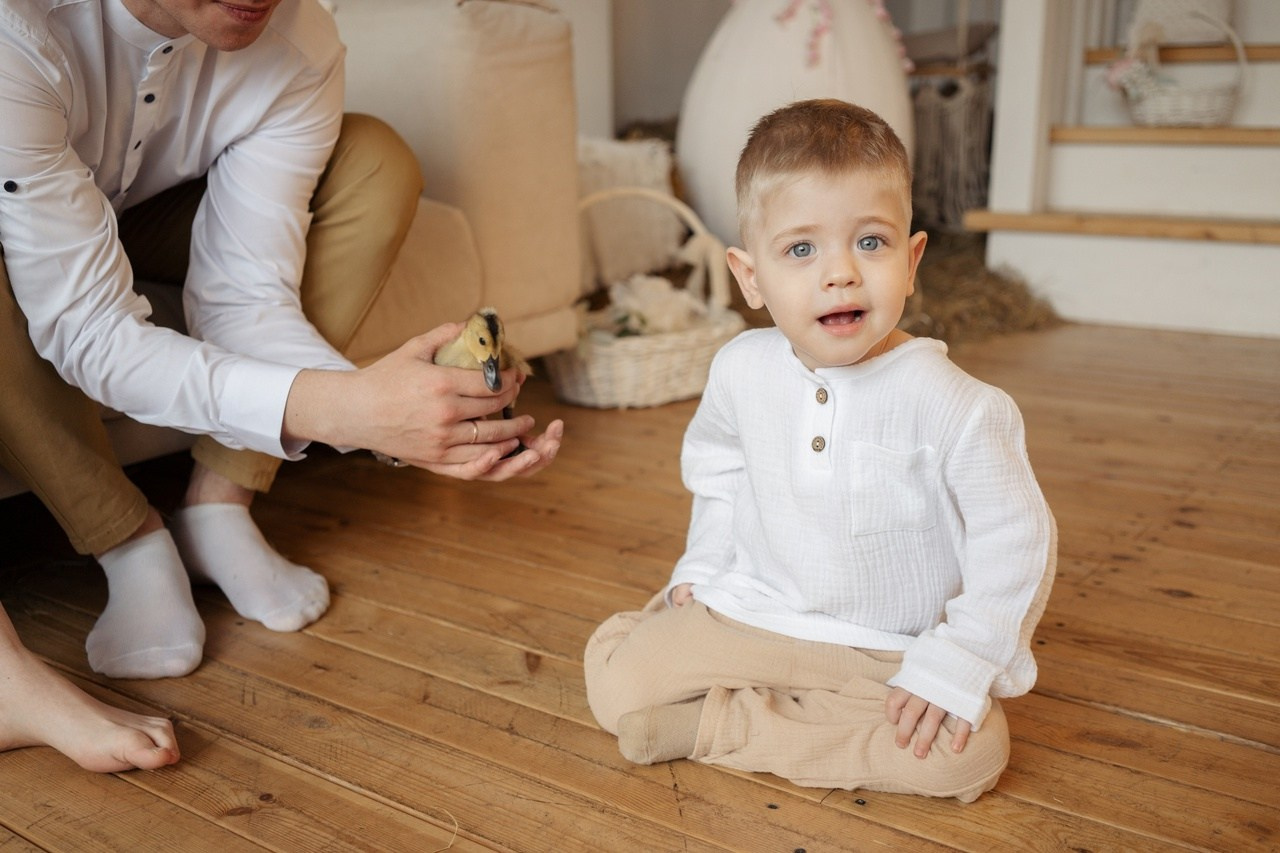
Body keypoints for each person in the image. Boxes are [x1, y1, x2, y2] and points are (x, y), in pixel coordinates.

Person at [0, 0, 562, 772]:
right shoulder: (21, 31)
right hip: (21, 225)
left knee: (376, 158)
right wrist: (353, 411)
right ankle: (129, 544)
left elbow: (245, 303)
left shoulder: (296, 38)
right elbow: (91, 332)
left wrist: (398, 412)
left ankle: (219, 505)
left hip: (137, 209)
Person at [584, 99, 1055, 802]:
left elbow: (1016, 541)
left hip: (881, 648)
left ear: (912, 258)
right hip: (751, 616)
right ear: (750, 277)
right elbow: (719, 469)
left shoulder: (959, 405)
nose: (840, 273)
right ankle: (783, 720)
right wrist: (705, 566)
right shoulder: (742, 368)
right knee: (615, 676)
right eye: (802, 249)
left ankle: (718, 727)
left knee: (967, 756)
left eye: (870, 242)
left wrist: (959, 660)